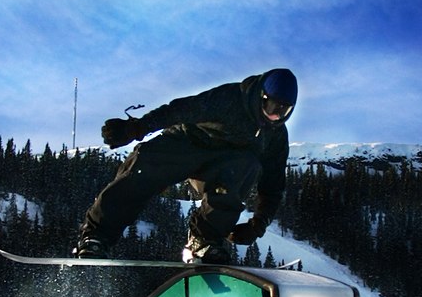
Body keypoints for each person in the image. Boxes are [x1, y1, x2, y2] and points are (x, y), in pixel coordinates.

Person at [75, 67, 298, 263]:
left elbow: (273, 184)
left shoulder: (275, 136)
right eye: (271, 107)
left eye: (283, 111)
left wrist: (257, 225)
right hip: (185, 143)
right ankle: (96, 236)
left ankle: (204, 240)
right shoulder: (231, 98)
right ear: (261, 96)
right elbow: (180, 110)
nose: (275, 116)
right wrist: (137, 129)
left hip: (222, 165)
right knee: (145, 166)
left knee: (247, 165)